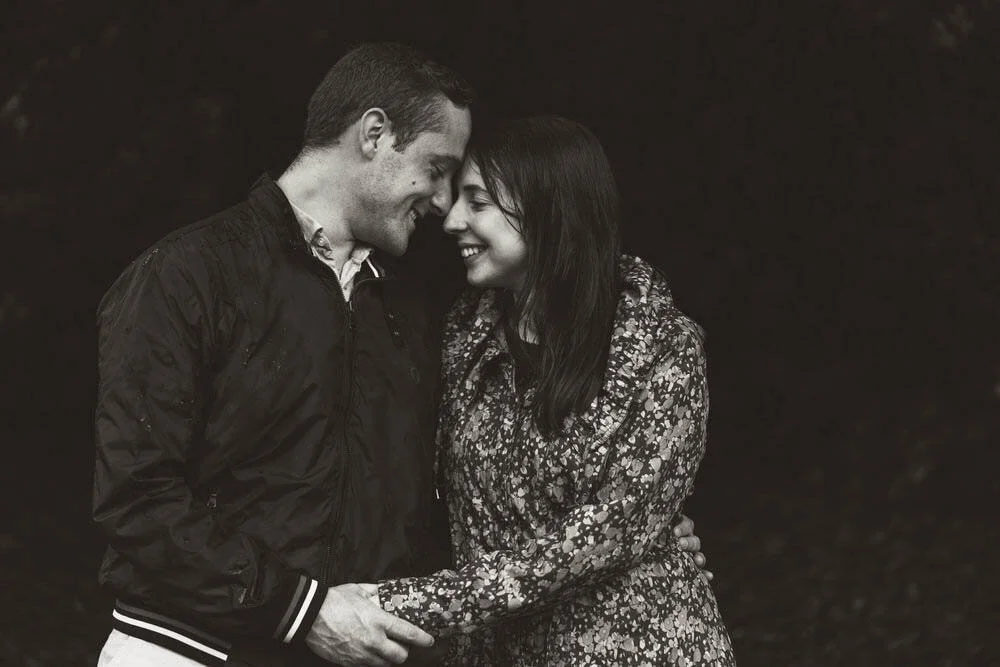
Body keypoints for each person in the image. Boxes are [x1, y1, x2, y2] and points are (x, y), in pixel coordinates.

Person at [92, 43, 708, 666]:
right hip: (190, 649)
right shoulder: (187, 275)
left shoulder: (413, 308)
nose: (443, 205)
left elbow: (444, 498)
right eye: (437, 169)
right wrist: (300, 609)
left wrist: (642, 534)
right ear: (375, 134)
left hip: (351, 651)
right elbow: (138, 499)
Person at [371, 116, 736, 665]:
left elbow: (605, 533)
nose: (450, 220)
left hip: (635, 649)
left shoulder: (662, 345)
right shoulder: (462, 337)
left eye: (478, 201)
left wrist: (408, 604)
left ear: (547, 209)